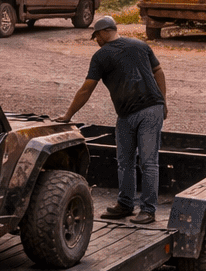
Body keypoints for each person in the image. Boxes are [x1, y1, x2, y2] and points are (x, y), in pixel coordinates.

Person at [60, 16, 168, 224]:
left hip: (143, 111)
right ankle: (125, 204)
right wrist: (163, 102)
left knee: (145, 162)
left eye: (96, 37)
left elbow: (86, 89)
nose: (96, 41)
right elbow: (159, 71)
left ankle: (147, 210)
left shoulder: (101, 56)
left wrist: (68, 115)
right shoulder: (140, 45)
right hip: (139, 111)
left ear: (102, 33)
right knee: (128, 161)